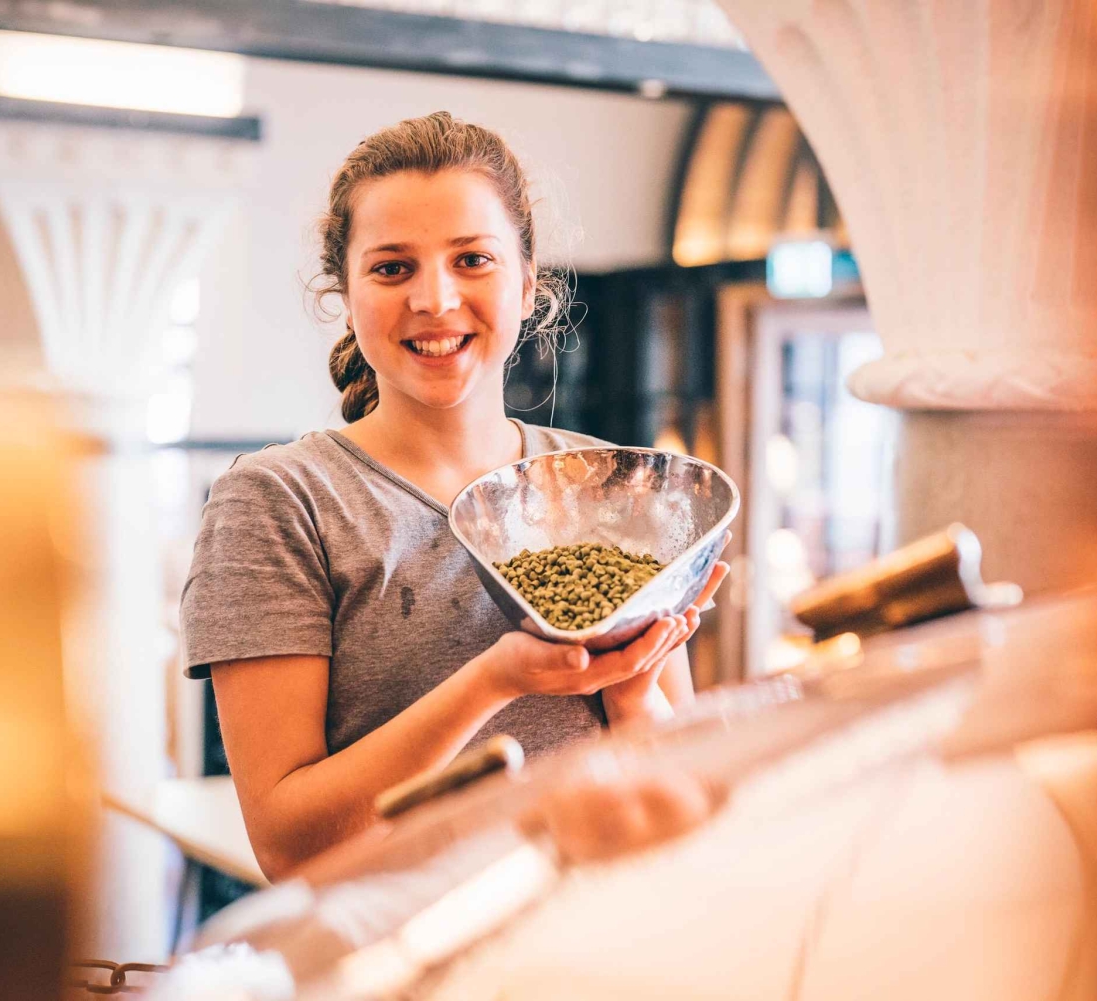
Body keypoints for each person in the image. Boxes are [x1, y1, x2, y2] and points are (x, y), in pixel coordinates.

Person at [181, 111, 727, 880]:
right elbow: (290, 848)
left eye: (472, 259)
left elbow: (682, 805)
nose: (435, 299)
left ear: (529, 283)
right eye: (393, 267)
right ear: (345, 292)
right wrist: (498, 680)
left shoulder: (612, 485)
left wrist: (632, 689)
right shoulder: (278, 500)